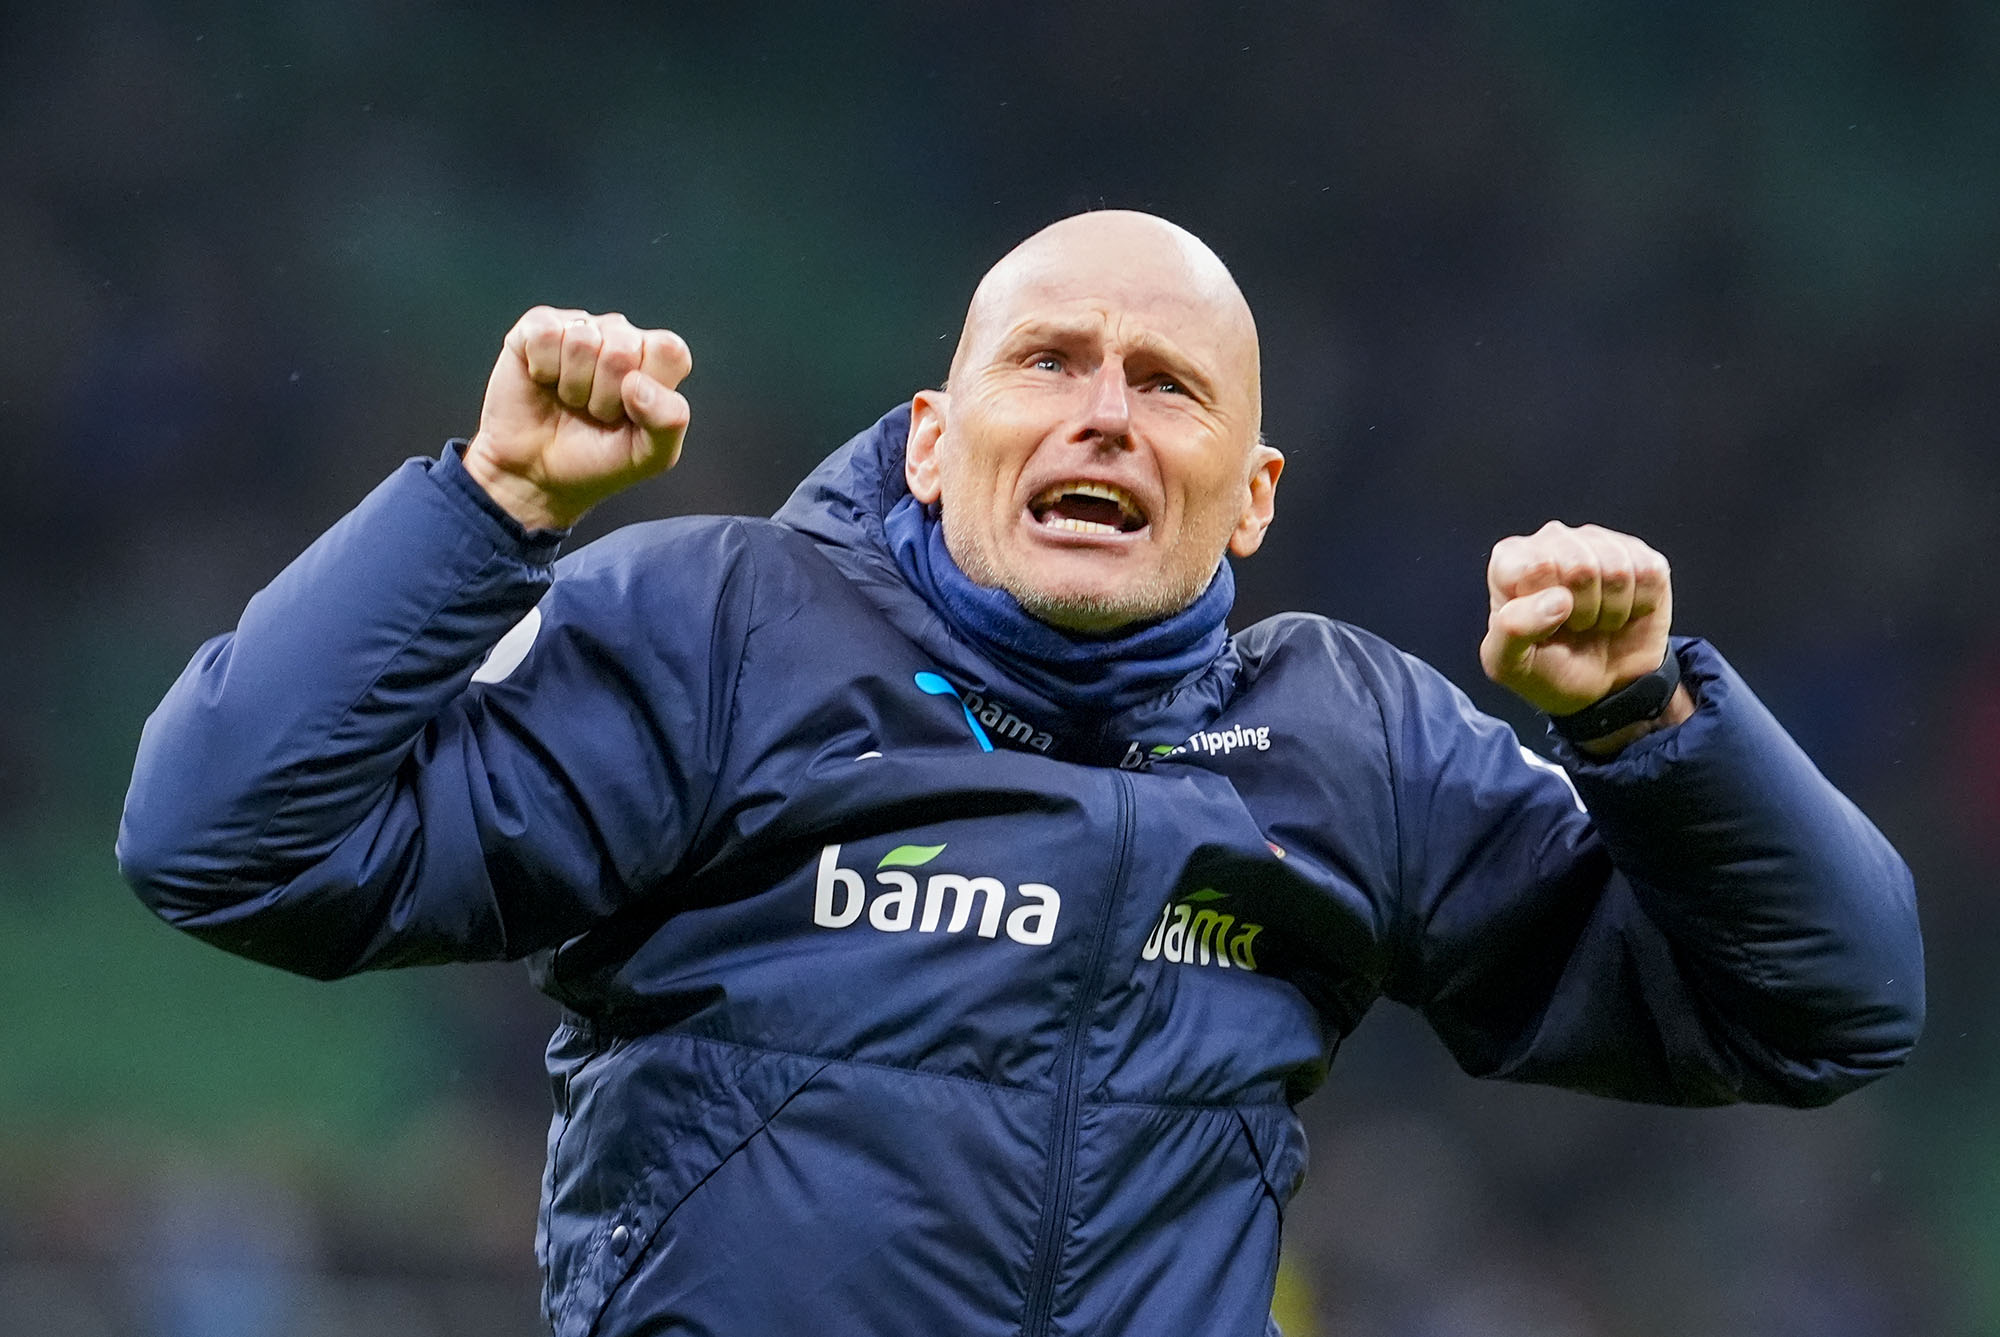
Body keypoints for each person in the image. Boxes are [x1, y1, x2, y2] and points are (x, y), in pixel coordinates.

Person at [119, 211, 1924, 1337]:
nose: (1104, 413)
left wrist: (1646, 725)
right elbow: (221, 838)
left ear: (1253, 494)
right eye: (1049, 361)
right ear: (931, 440)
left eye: (1167, 385)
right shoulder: (718, 630)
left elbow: (1829, 1007)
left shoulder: (1348, 738)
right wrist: (490, 504)